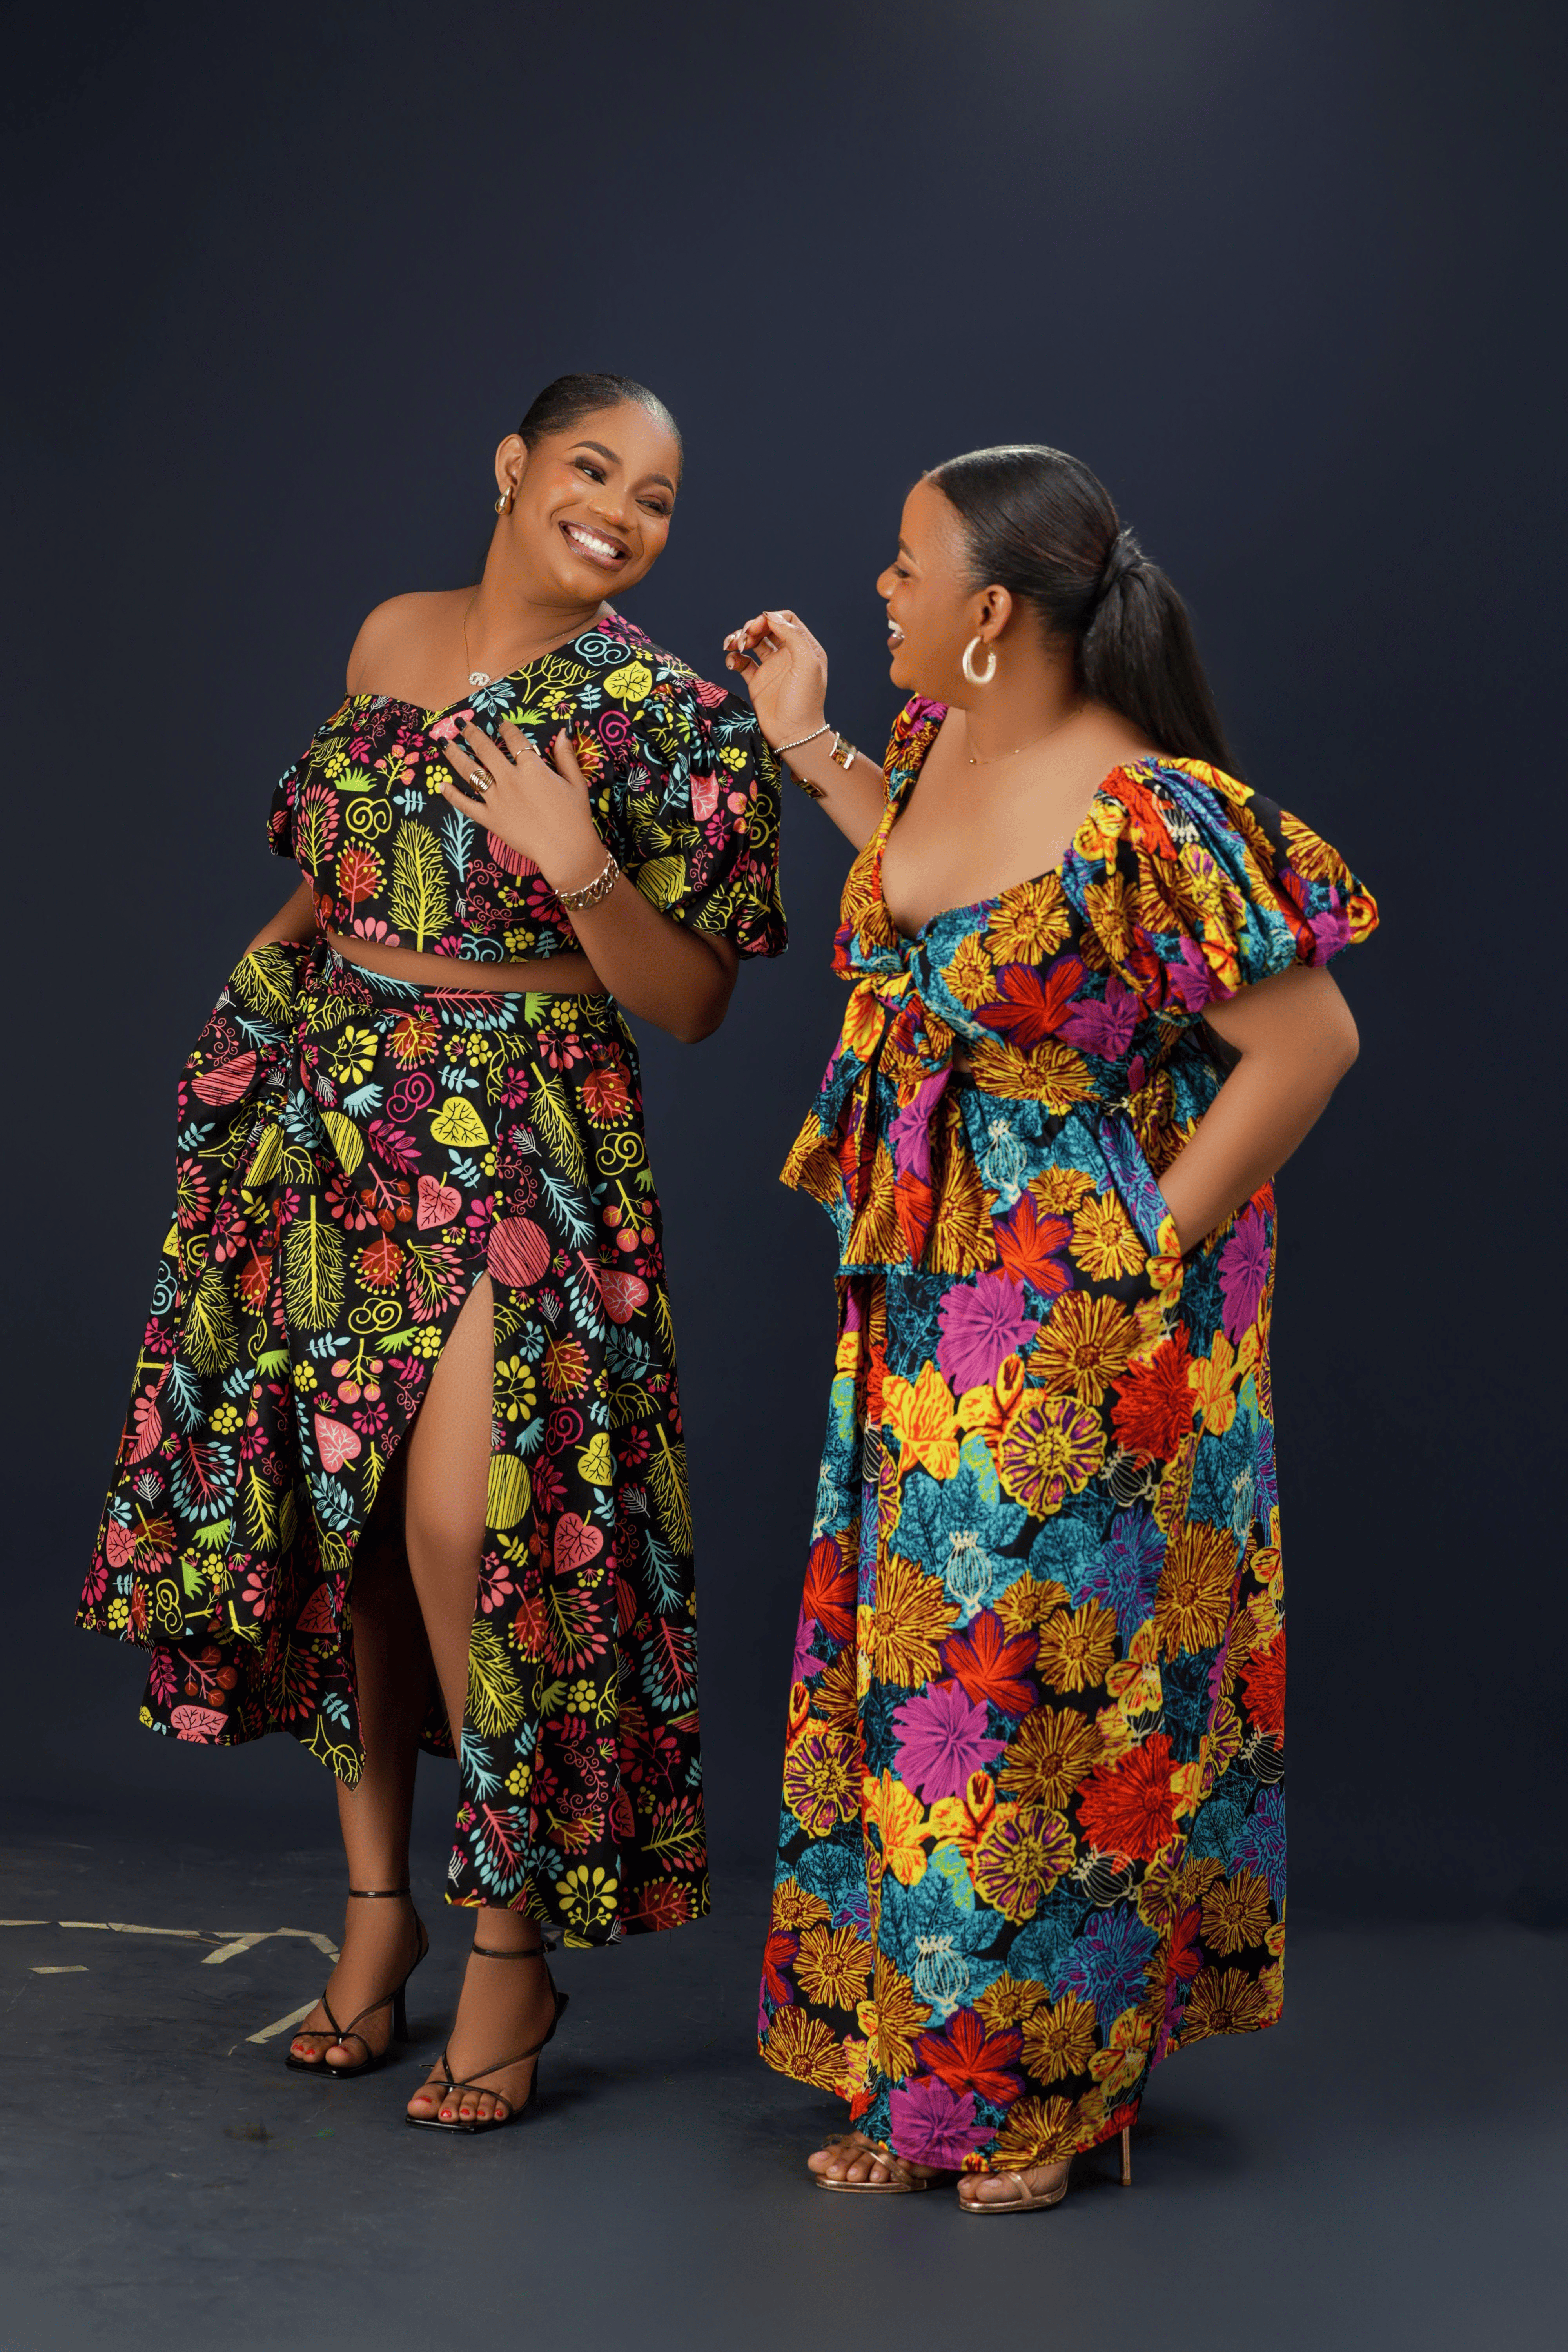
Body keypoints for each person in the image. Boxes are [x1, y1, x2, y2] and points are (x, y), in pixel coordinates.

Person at [83, 372, 785, 2132]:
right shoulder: (388, 634)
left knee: (471, 1525)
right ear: (511, 467)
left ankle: (509, 1943)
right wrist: (243, 1031)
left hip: (526, 1126)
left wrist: (579, 869)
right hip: (333, 1114)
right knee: (356, 1538)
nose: (620, 511)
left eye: (657, 497)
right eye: (591, 468)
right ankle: (379, 1918)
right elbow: (339, 877)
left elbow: (695, 1002)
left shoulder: (661, 713)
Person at [725, 443, 1375, 2210]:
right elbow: (929, 906)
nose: (880, 586)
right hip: (923, 1291)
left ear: (993, 615)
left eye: (905, 562)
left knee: (1043, 1705)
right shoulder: (943, 753)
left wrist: (1140, 1252)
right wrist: (805, 733)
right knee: (916, 1671)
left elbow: (1305, 1043)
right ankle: (927, 2082)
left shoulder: (1145, 813)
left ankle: (1054, 2094)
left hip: (1077, 1328)